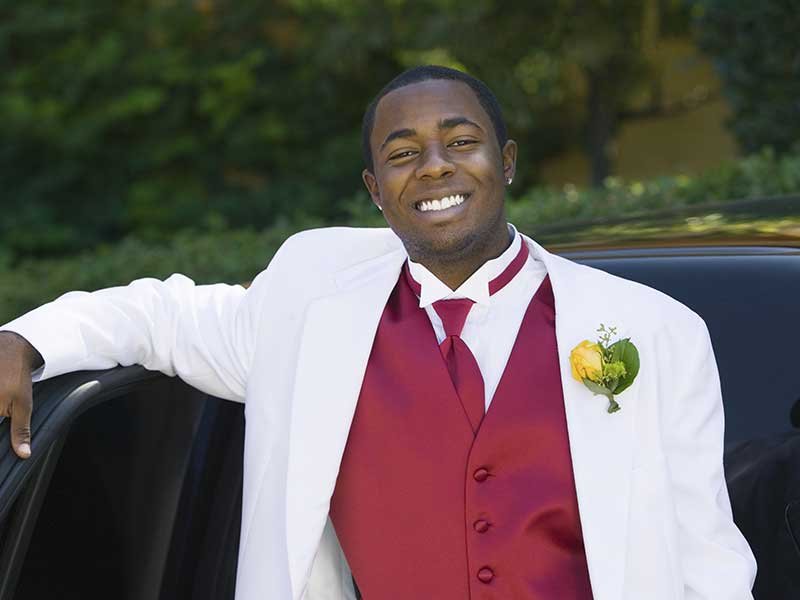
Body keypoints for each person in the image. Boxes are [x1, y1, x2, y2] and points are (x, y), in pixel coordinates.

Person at [0, 66, 756, 599]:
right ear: (375, 191)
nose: (433, 167)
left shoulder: (654, 331)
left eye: (461, 141)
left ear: (507, 161)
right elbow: (158, 317)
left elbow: (707, 562)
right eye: (401, 154)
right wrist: (24, 341)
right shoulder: (308, 305)